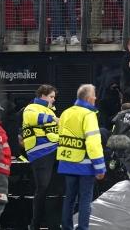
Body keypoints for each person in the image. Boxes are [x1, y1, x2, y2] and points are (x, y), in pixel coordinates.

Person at [57, 84, 106, 230]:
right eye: (94, 95)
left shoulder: (66, 112)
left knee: (69, 198)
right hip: (85, 165)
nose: (96, 98)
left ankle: (66, 227)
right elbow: (93, 144)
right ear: (89, 98)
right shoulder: (88, 115)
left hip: (67, 162)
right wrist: (100, 168)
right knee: (85, 200)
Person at [21, 84, 60, 230]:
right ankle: (35, 224)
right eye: (51, 96)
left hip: (54, 150)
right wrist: (54, 119)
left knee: (52, 190)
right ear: (42, 96)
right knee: (42, 189)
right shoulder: (31, 108)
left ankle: (52, 225)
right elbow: (33, 119)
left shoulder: (49, 110)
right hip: (41, 152)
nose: (53, 99)